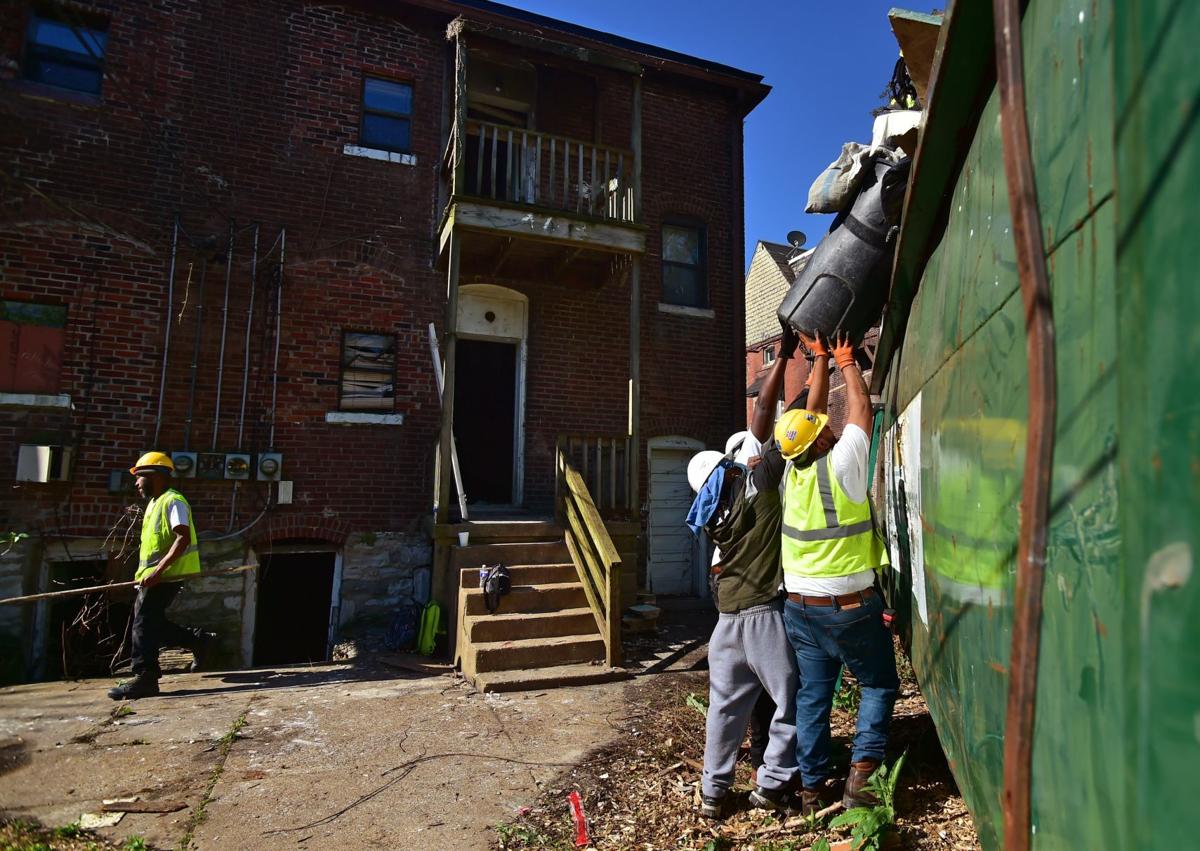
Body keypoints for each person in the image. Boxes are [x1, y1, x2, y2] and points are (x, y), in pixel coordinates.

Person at [774, 333, 898, 811]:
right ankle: (862, 780)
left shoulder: (791, 472)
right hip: (850, 609)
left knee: (814, 697)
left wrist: (819, 359)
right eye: (821, 425)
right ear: (821, 436)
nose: (825, 423)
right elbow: (862, 413)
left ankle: (811, 789)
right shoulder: (844, 461)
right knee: (880, 684)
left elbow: (812, 413)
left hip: (801, 611)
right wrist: (849, 363)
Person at [686, 322, 801, 819]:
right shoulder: (757, 490)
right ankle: (772, 782)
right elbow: (768, 419)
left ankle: (713, 792)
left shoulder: (712, 517)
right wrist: (791, 357)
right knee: (793, 697)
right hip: (763, 619)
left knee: (723, 711)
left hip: (725, 626)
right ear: (731, 470)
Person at [108, 452, 214, 700]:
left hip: (166, 576)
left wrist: (158, 572)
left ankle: (146, 677)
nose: (136, 483)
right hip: (154, 577)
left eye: (139, 477)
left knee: (143, 623)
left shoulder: (173, 501)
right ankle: (198, 641)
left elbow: (183, 538)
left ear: (153, 476)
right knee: (149, 622)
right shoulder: (154, 503)